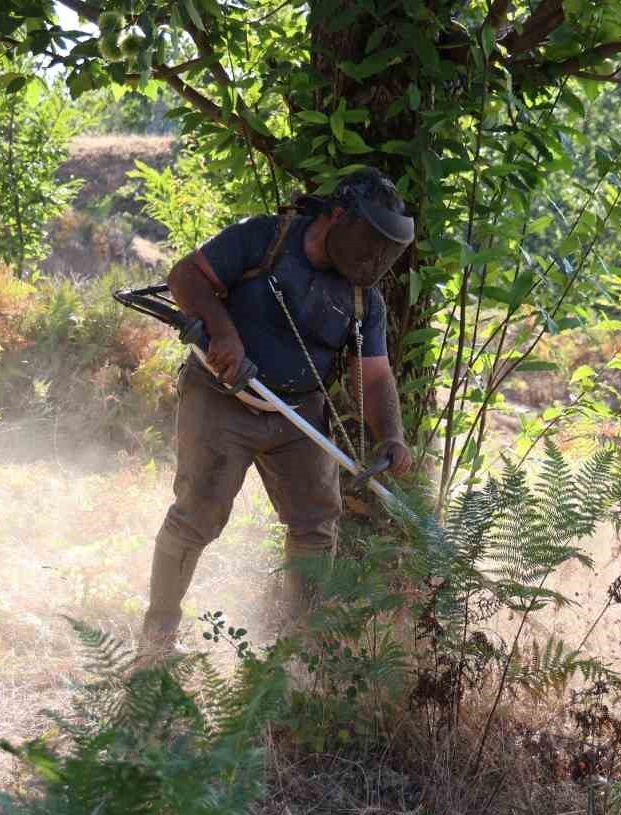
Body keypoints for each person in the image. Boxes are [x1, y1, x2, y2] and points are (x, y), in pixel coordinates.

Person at [137, 167, 416, 661]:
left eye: (384, 249)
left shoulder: (362, 300)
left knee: (316, 526)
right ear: (338, 216)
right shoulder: (263, 239)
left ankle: (303, 652)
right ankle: (157, 638)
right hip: (220, 397)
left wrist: (391, 436)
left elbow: (374, 377)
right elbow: (185, 276)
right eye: (369, 241)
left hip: (298, 413)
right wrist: (224, 333)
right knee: (197, 515)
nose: (374, 258)